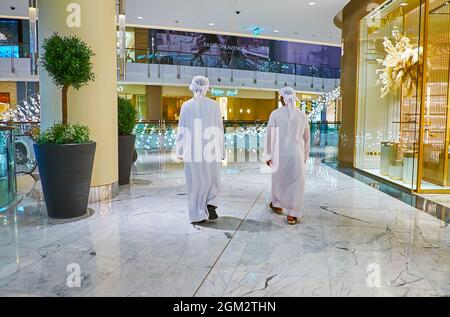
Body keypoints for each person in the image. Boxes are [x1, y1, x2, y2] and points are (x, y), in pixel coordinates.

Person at [176, 75, 225, 224]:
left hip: (193, 151)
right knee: (211, 178)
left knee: (195, 181)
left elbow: (182, 129)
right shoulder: (214, 105)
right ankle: (211, 202)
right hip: (211, 149)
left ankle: (198, 213)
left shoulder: (186, 106)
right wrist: (221, 151)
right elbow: (219, 128)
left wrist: (180, 151)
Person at [265, 87, 310, 225]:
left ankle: (277, 204)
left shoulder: (275, 114)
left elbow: (270, 136)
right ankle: (293, 214)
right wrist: (305, 156)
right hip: (296, 154)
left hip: (280, 154)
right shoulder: (302, 116)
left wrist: (268, 155)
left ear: (281, 99)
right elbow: (307, 138)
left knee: (278, 181)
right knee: (297, 183)